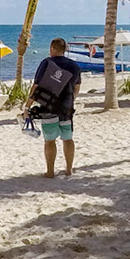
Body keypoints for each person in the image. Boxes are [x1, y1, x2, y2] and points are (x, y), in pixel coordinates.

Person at [30, 37, 82, 177]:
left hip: (48, 107)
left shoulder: (47, 63)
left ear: (52, 48)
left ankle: (50, 172)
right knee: (68, 138)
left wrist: (27, 105)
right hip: (66, 108)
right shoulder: (74, 66)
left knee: (49, 140)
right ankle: (69, 169)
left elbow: (36, 86)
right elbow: (77, 88)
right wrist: (71, 100)